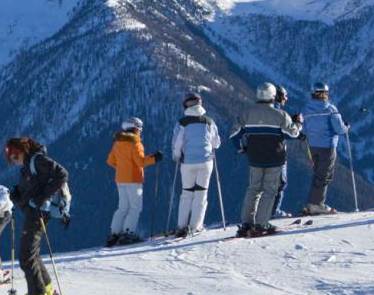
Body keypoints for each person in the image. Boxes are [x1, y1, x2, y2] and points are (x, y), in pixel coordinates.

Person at [5, 136, 70, 295]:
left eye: (13, 154)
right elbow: (34, 186)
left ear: (22, 150)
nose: (12, 158)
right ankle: (45, 288)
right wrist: (18, 195)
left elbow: (62, 174)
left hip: (38, 213)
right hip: (34, 211)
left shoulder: (37, 160)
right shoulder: (29, 165)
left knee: (26, 257)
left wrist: (44, 197)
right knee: (32, 253)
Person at [232, 83, 302, 237]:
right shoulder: (280, 115)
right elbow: (292, 134)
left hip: (254, 158)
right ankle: (261, 224)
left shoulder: (247, 113)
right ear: (272, 96)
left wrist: (242, 148)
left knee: (253, 189)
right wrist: (298, 123)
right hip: (274, 158)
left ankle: (246, 224)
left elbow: (234, 135)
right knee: (270, 191)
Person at [105, 118, 161, 246]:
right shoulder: (135, 143)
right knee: (135, 208)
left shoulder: (118, 142)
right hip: (133, 179)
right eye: (139, 129)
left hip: (120, 179)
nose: (140, 132)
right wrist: (154, 158)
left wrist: (122, 168)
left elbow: (110, 161)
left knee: (122, 207)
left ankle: (114, 234)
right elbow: (141, 162)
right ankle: (128, 234)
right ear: (135, 128)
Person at [171, 93, 221, 237]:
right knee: (201, 193)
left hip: (187, 163)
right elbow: (216, 143)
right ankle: (195, 226)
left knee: (186, 193)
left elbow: (177, 143)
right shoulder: (209, 121)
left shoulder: (182, 123)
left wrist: (177, 155)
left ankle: (181, 226)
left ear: (186, 105)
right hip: (206, 162)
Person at [300, 82, 349, 215]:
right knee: (324, 175)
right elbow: (339, 129)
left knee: (318, 174)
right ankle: (317, 204)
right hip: (327, 147)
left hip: (312, 146)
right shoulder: (330, 109)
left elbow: (303, 129)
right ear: (324, 94)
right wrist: (346, 127)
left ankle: (313, 203)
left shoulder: (305, 109)